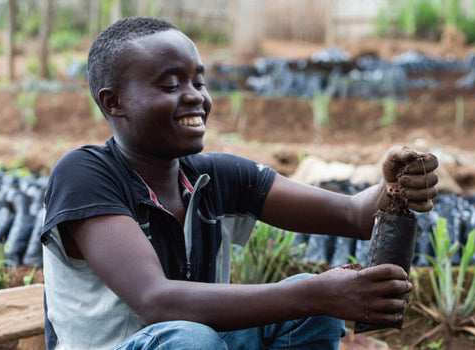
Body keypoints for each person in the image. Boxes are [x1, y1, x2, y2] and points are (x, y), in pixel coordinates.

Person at [40, 16, 439, 350]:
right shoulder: (85, 174)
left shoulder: (215, 176)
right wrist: (316, 293)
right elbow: (156, 301)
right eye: (170, 85)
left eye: (199, 81)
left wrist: (394, 186)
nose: (195, 96)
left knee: (306, 312)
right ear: (114, 103)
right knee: (193, 338)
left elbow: (352, 214)